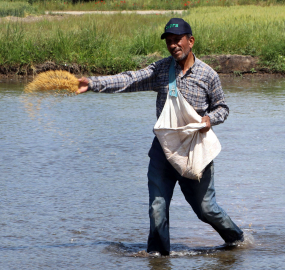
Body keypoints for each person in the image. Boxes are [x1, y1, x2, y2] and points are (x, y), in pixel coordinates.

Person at [77, 18, 244, 256]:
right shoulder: (161, 70)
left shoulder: (208, 75)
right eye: (169, 41)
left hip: (194, 151)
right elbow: (129, 79)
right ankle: (157, 257)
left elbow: (222, 108)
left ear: (190, 41)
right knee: (157, 209)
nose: (173, 45)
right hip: (163, 150)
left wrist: (209, 119)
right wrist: (93, 83)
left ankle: (237, 240)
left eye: (177, 40)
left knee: (206, 209)